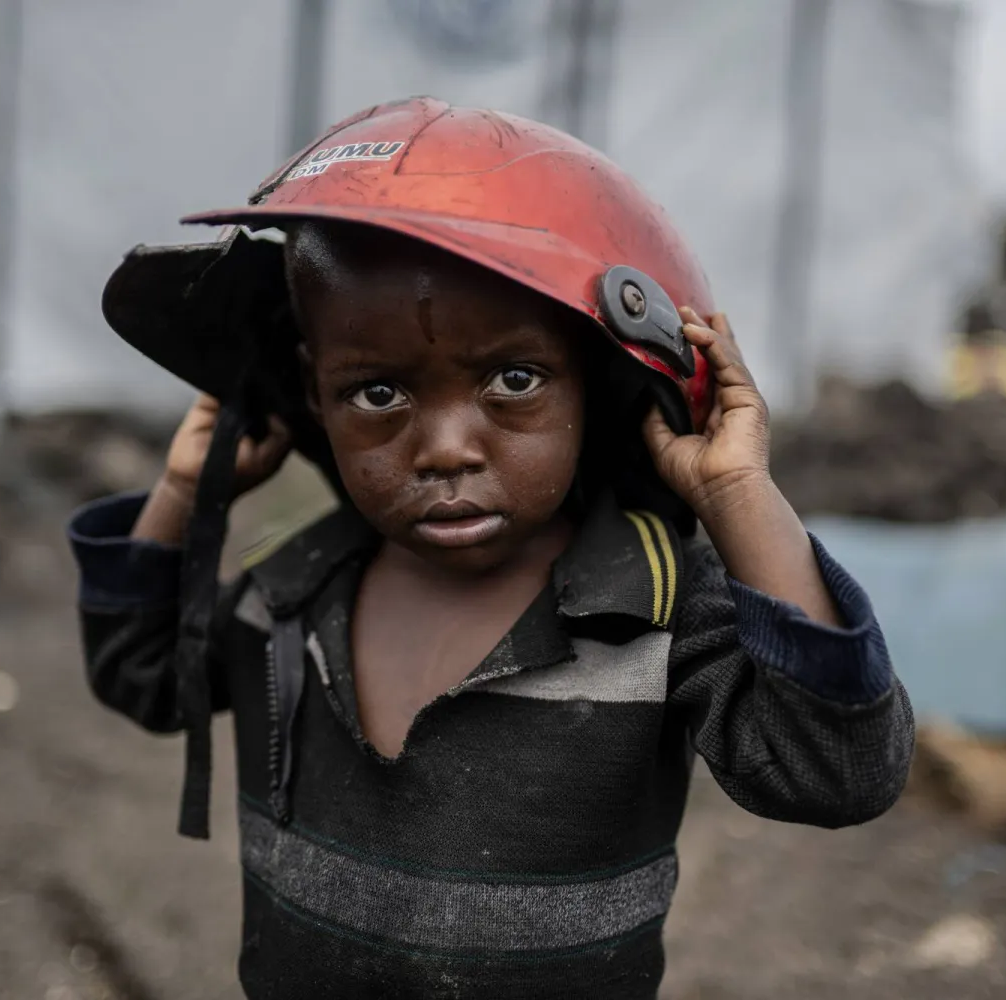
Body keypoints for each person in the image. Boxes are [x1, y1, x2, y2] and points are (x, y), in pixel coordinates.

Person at [69, 97, 913, 999]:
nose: (444, 448)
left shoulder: (651, 603)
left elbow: (839, 771)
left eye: (514, 380)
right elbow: (143, 674)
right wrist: (182, 494)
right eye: (378, 392)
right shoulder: (288, 590)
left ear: (598, 388)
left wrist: (738, 492)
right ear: (313, 398)